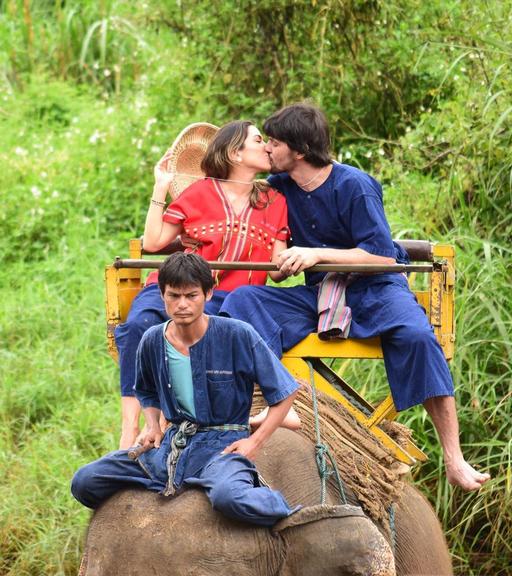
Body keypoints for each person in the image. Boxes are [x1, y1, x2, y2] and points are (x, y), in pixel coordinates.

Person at [218, 103, 491, 492]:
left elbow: (380, 255)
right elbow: (236, 204)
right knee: (245, 301)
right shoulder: (279, 189)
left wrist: (316, 253)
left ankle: (455, 458)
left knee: (417, 337)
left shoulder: (354, 185)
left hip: (375, 288)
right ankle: (271, 403)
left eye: (273, 142)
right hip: (320, 293)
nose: (268, 149)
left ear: (297, 150)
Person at [72, 253, 301, 526]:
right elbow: (145, 390)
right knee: (85, 481)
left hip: (221, 448)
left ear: (208, 293)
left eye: (191, 296)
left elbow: (286, 392)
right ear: (162, 294)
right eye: (174, 296)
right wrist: (153, 425)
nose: (182, 305)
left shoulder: (237, 334)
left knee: (230, 498)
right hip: (170, 446)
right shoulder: (152, 340)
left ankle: (286, 510)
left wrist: (254, 442)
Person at [115, 120, 299, 449]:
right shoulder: (199, 193)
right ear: (235, 153)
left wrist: (293, 261)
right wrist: (161, 186)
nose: (267, 147)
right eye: (259, 141)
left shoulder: (274, 200)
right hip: (182, 287)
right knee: (139, 326)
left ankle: (242, 412)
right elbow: (155, 242)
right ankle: (134, 430)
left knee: (217, 335)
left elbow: (276, 268)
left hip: (226, 298)